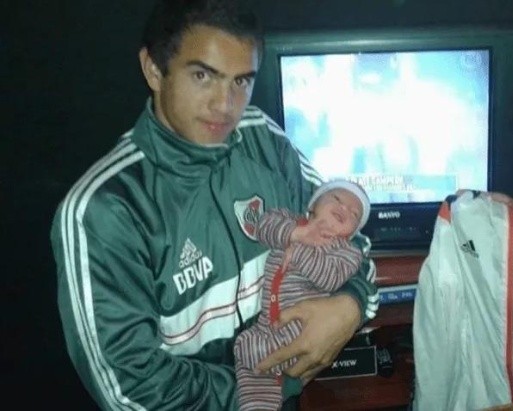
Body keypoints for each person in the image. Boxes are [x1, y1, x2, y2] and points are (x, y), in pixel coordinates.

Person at [49, 1, 378, 410]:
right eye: (203, 76)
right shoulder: (105, 208)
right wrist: (267, 388)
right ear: (153, 70)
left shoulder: (264, 139)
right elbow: (130, 388)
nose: (225, 105)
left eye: (241, 81)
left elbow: (351, 240)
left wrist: (350, 305)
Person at [233, 179, 371, 411]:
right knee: (250, 361)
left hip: (302, 323)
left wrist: (298, 252)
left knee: (251, 349)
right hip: (267, 322)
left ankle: (270, 376)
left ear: (352, 232)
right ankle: (257, 403)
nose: (345, 209)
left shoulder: (346, 252)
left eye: (354, 214)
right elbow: (263, 226)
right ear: (313, 205)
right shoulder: (288, 219)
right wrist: (297, 233)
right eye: (337, 199)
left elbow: (329, 278)